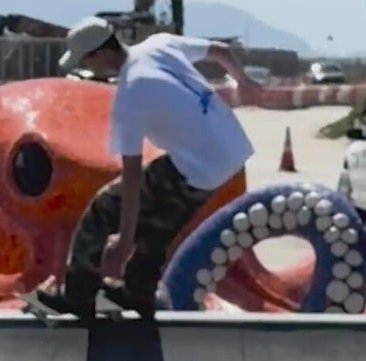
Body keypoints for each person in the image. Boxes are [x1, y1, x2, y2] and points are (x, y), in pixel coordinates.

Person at [36, 17, 265, 319]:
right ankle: (139, 291)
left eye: (86, 62)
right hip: (230, 153)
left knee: (104, 208)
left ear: (101, 54)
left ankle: (78, 293)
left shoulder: (131, 94)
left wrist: (124, 240)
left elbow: (131, 176)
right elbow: (221, 51)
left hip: (198, 164)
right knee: (160, 223)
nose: (88, 70)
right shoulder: (160, 44)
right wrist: (244, 81)